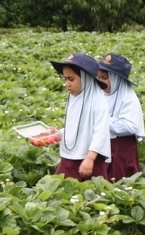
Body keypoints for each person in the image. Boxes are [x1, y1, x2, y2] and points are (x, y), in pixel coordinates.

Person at [47, 52, 111, 181]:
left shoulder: (98, 101)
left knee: (90, 194)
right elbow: (76, 127)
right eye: (65, 79)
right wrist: (57, 134)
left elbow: (101, 133)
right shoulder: (74, 98)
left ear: (86, 78)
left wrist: (90, 158)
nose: (67, 84)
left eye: (71, 79)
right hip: (70, 157)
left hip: (90, 159)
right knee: (61, 189)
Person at [96, 53, 145, 181]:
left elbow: (131, 126)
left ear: (116, 79)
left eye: (105, 78)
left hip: (121, 149)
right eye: (99, 77)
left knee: (120, 180)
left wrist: (102, 120)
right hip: (103, 146)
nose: (100, 82)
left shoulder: (128, 97)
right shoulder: (99, 94)